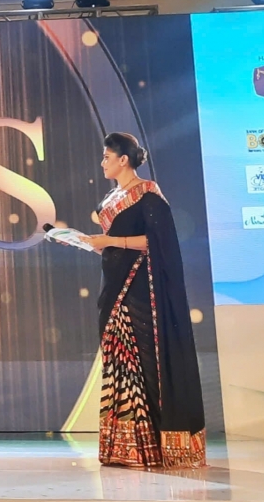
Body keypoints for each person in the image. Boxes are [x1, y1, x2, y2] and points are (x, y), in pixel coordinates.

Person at [85, 133, 206, 468]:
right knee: (119, 362)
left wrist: (111, 241)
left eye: (107, 156)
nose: (102, 162)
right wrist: (89, 242)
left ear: (124, 160)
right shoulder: (111, 198)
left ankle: (152, 446)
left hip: (139, 290)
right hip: (112, 285)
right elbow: (111, 243)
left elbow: (158, 241)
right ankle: (125, 446)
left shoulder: (148, 194)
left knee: (144, 364)